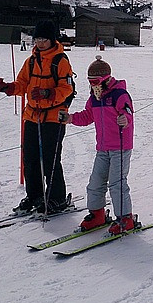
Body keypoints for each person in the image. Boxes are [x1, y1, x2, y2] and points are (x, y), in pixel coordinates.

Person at [0, 20, 76, 213]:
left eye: (44, 39)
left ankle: (57, 197)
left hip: (54, 117)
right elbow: (22, 84)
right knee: (29, 158)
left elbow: (67, 88)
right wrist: (8, 88)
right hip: (32, 115)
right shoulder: (30, 61)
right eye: (37, 38)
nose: (39, 43)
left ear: (52, 39)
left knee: (50, 159)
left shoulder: (60, 61)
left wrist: (48, 94)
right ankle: (35, 196)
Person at [63, 56, 137, 235]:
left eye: (95, 81)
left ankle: (125, 218)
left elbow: (127, 113)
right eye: (90, 82)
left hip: (120, 146)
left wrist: (124, 120)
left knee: (117, 183)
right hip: (102, 148)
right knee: (96, 182)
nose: (92, 85)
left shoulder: (119, 95)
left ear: (106, 79)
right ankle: (97, 214)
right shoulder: (95, 98)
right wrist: (71, 118)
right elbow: (88, 116)